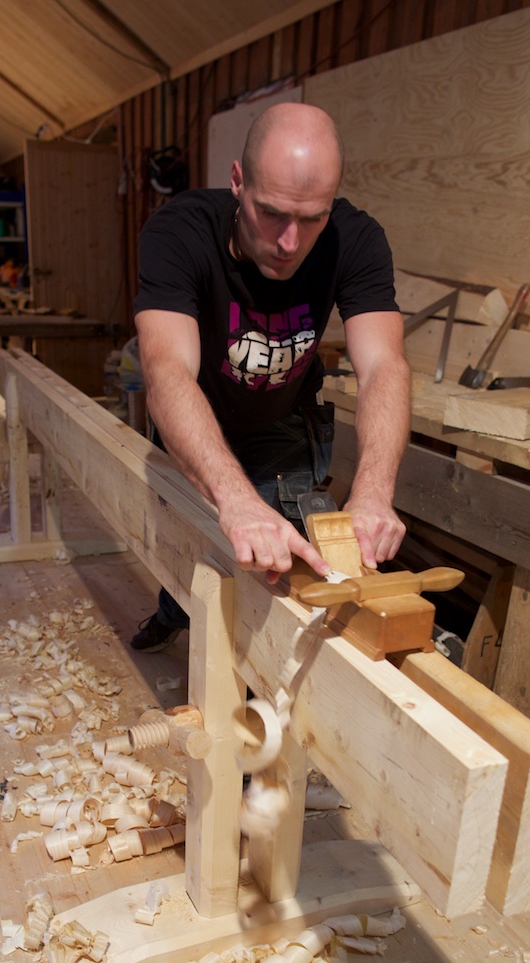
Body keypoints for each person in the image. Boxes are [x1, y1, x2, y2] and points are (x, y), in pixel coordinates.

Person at [131, 101, 411, 652]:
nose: (290, 243)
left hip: (282, 419)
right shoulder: (178, 232)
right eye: (272, 214)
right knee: (189, 544)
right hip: (196, 416)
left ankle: (259, 686)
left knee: (275, 571)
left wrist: (375, 492)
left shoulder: (355, 239)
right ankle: (174, 610)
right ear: (238, 182)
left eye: (312, 219)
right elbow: (167, 371)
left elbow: (384, 365)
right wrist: (233, 501)